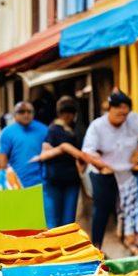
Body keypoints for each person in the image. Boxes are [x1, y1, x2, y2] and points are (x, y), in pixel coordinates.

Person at [81, 91, 138, 251]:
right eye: (118, 111)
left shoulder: (133, 120)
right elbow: (87, 151)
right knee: (102, 208)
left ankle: (130, 241)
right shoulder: (97, 126)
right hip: (103, 172)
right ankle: (96, 246)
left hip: (126, 171)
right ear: (110, 109)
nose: (122, 115)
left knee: (130, 207)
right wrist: (100, 164)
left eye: (125, 112)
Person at [33, 96, 100, 228]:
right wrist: (64, 149)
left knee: (64, 221)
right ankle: (57, 247)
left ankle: (61, 247)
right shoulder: (54, 130)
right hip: (56, 181)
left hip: (67, 180)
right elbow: (45, 153)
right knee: (57, 221)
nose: (68, 116)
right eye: (65, 112)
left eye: (69, 112)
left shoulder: (74, 129)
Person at [0, 101, 48, 187]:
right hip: (17, 183)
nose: (26, 115)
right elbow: (1, 159)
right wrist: (7, 179)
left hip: (41, 182)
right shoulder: (8, 132)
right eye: (21, 112)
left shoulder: (43, 130)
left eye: (29, 112)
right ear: (15, 114)